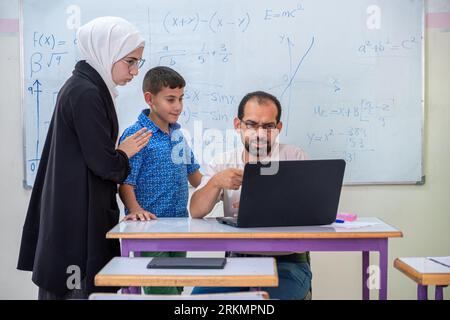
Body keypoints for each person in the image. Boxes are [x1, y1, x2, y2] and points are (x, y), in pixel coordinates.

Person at [17, 17, 151, 300]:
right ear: (108, 51)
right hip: (77, 224)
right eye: (130, 61)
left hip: (76, 216)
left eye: (138, 62)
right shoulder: (87, 92)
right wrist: (124, 152)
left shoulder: (88, 87)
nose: (135, 71)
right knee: (78, 291)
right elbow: (104, 164)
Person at [189, 91, 312, 300]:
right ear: (238, 125)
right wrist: (216, 182)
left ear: (278, 128)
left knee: (258, 304)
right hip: (235, 263)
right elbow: (196, 211)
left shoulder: (295, 158)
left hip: (287, 264)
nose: (260, 133)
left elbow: (312, 212)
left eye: (268, 126)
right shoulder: (223, 162)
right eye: (252, 124)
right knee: (197, 302)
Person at [119, 66, 202, 295]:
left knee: (176, 287)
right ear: (150, 99)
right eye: (170, 99)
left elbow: (195, 176)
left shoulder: (178, 136)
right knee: (161, 290)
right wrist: (135, 209)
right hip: (150, 229)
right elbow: (125, 182)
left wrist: (222, 184)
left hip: (179, 225)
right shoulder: (137, 135)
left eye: (181, 99)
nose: (178, 106)